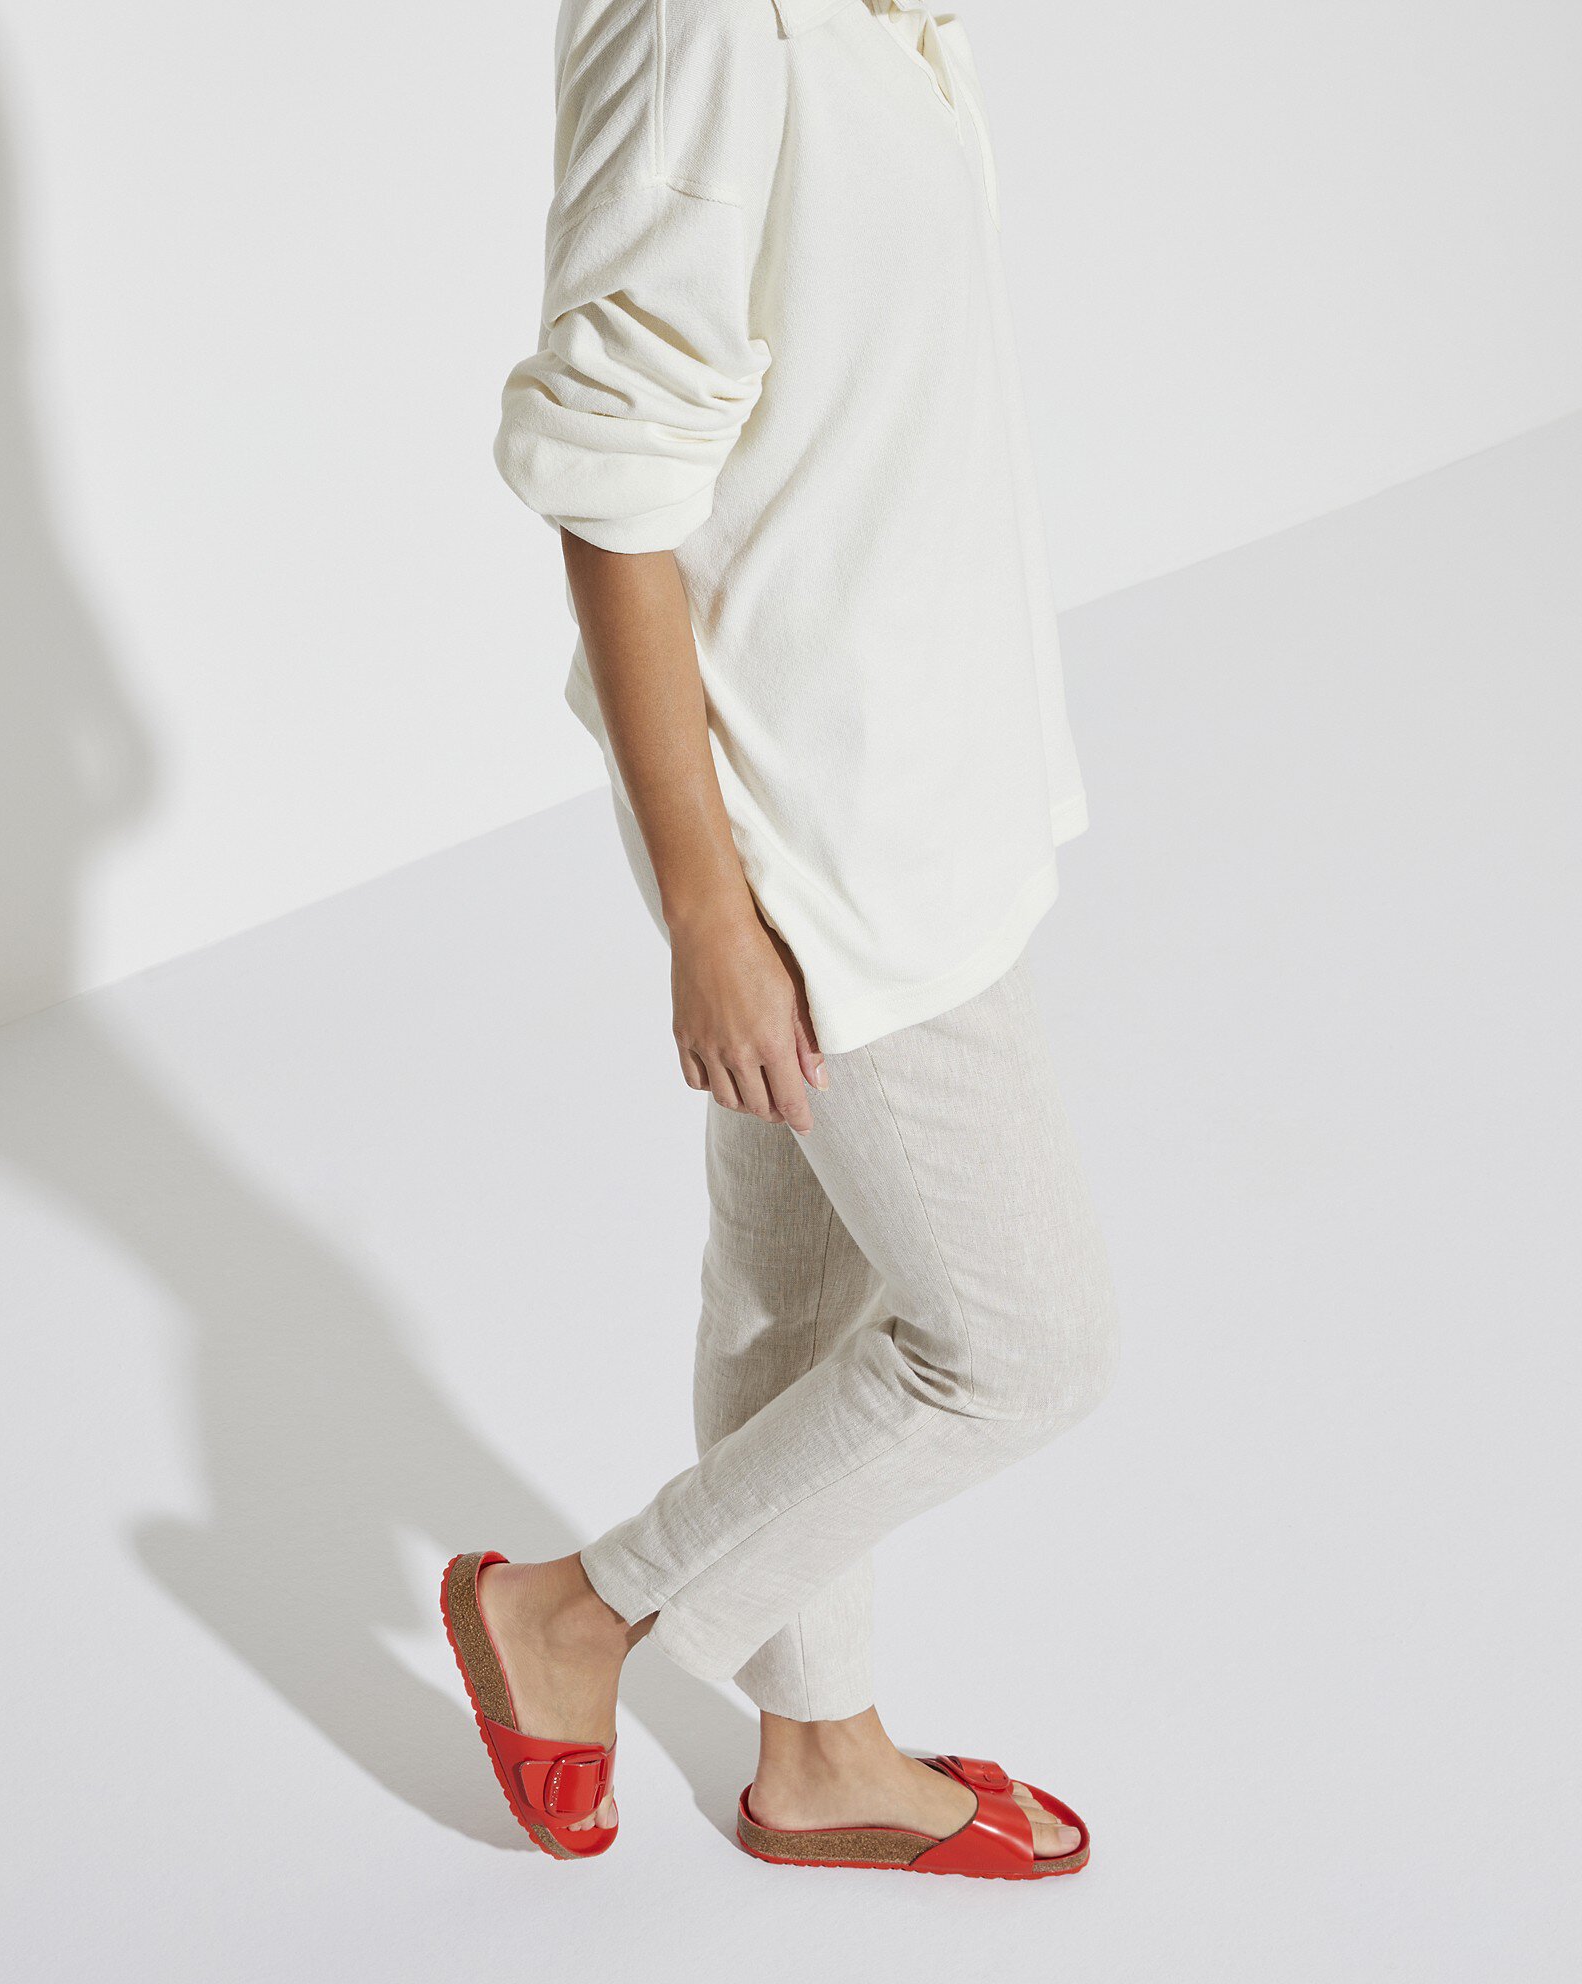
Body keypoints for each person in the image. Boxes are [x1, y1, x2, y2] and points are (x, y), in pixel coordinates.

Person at [442, 0, 1120, 1877]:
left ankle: (815, 1751)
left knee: (787, 1299)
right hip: (827, 833)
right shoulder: (705, 19)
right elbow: (611, 480)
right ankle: (570, 1617)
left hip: (918, 773)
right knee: (1025, 1345)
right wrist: (708, 911)